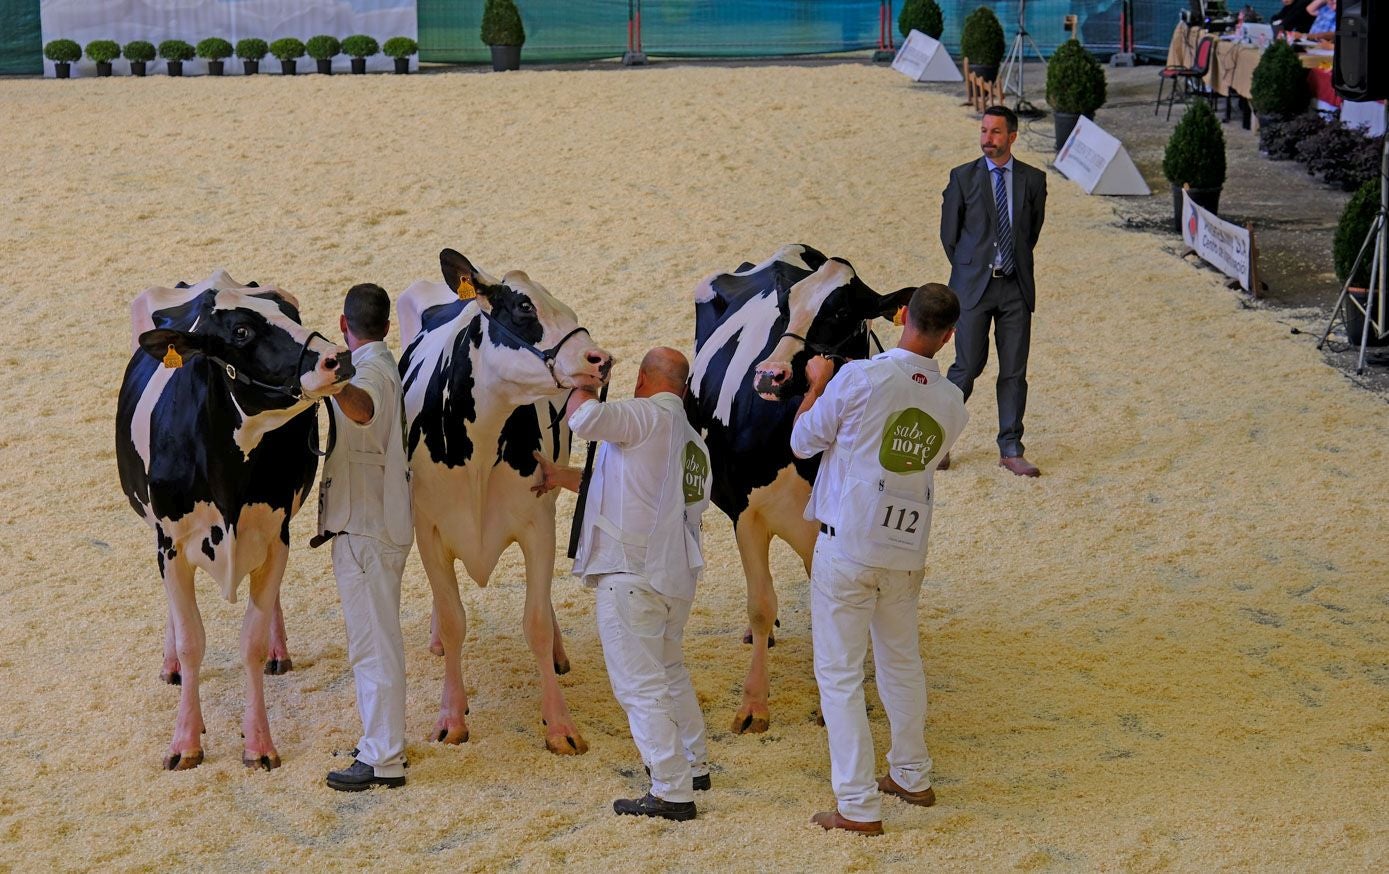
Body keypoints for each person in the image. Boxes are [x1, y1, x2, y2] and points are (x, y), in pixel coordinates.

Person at [790, 283, 969, 836]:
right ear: (949, 336)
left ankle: (857, 804)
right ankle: (912, 775)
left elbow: (802, 441)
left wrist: (816, 385)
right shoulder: (952, 403)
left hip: (848, 542)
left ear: (902, 319)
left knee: (840, 674)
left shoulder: (860, 378)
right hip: (907, 546)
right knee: (900, 661)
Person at [532, 347, 713, 822]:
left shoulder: (643, 414)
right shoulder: (694, 442)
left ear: (641, 380)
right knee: (670, 671)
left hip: (632, 573)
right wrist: (565, 477)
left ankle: (672, 790)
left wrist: (583, 380)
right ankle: (694, 764)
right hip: (677, 574)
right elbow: (638, 487)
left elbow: (585, 419)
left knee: (640, 684)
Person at [317, 283, 414, 791]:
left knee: (373, 647)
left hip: (367, 528)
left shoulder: (369, 370)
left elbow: (364, 408)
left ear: (342, 324)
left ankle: (384, 758)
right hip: (379, 522)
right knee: (376, 643)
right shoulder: (383, 360)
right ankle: (382, 741)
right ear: (386, 324)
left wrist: (334, 386)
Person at [939, 104, 1047, 477]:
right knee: (967, 366)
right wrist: (972, 269)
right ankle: (940, 443)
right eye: (984, 131)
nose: (988, 138)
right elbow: (949, 237)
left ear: (1012, 136)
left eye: (996, 132)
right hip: (973, 289)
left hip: (1015, 287)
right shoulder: (962, 177)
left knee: (1014, 371)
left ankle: (1011, 449)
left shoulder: (1033, 180)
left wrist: (1010, 264)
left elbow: (1030, 234)